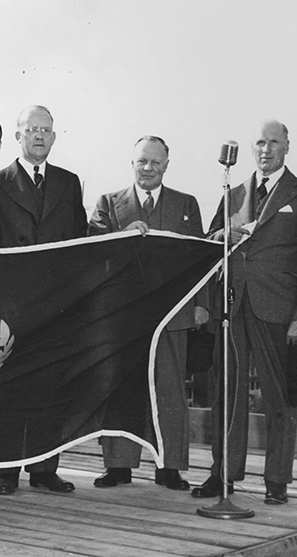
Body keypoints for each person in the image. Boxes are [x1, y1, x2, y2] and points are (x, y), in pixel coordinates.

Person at [193, 120, 297, 505]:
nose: (265, 149)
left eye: (274, 142)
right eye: (259, 142)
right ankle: (224, 475)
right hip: (233, 305)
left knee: (280, 398)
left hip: (280, 311)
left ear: (287, 146)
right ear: (251, 149)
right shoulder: (233, 193)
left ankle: (276, 480)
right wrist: (222, 236)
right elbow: (209, 246)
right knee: (227, 394)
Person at [88, 135, 209, 492]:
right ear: (132, 162)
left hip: (173, 312)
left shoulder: (186, 204)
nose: (148, 168)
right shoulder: (109, 203)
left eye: (156, 162)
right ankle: (118, 466)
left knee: (170, 391)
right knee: (121, 387)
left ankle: (169, 467)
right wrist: (119, 236)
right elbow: (93, 254)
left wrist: (201, 302)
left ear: (167, 165)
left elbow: (199, 256)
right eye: (142, 161)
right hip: (123, 314)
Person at [0, 105, 86, 495]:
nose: (39, 136)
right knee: (10, 386)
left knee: (51, 386)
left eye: (46, 130)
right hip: (13, 304)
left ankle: (44, 469)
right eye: (31, 129)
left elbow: (78, 243)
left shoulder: (69, 183)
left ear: (54, 138)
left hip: (56, 303)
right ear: (18, 137)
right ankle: (6, 470)